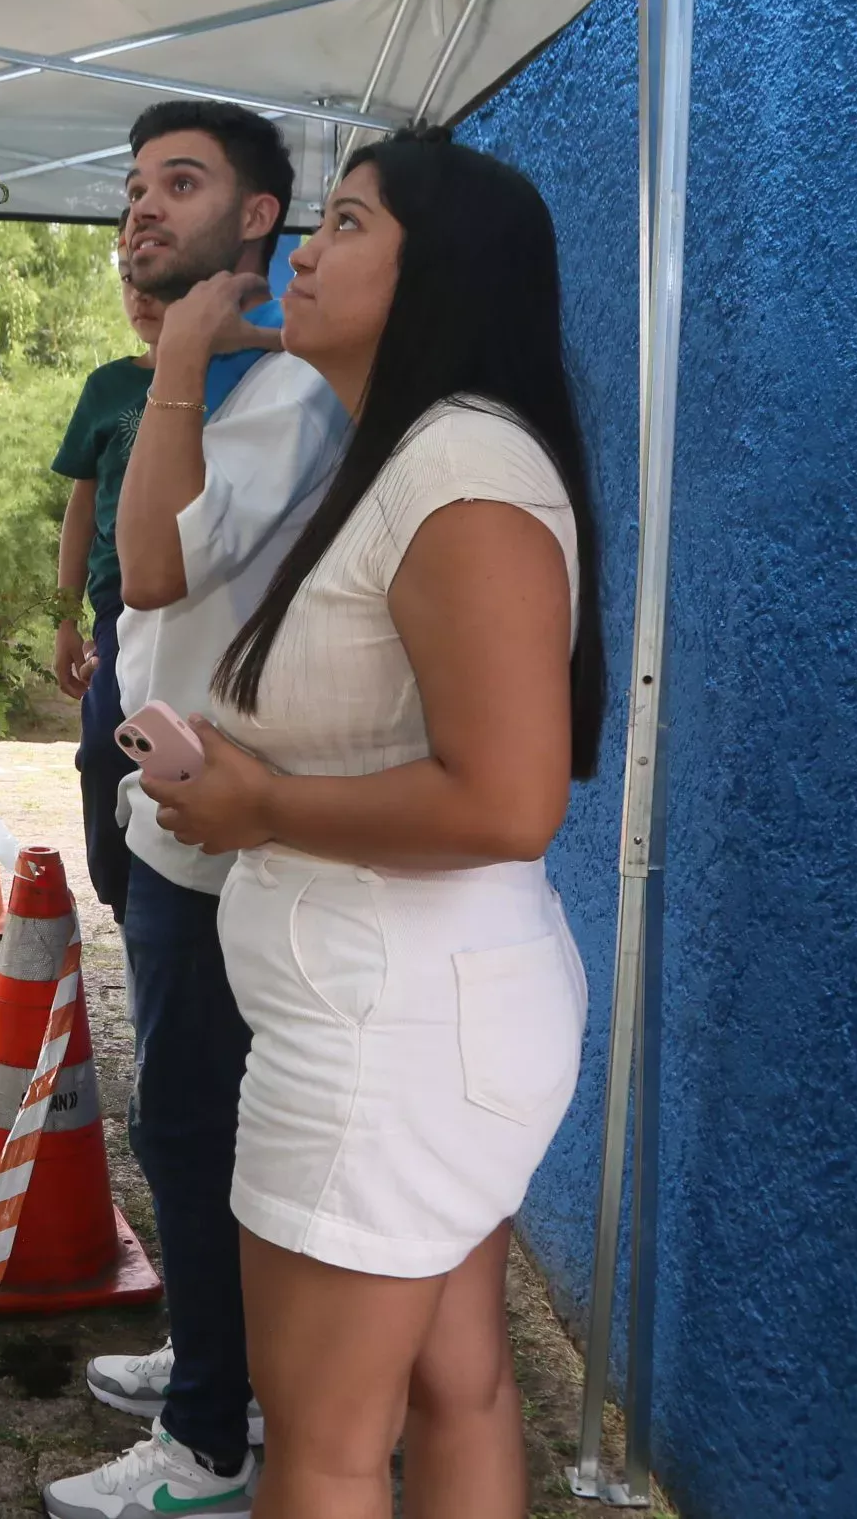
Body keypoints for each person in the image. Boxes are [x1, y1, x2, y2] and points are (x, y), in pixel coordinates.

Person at [150, 132, 603, 1519]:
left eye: (344, 222)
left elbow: (510, 797)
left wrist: (258, 800)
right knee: (451, 1384)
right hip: (409, 1015)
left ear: (436, 277)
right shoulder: (407, 452)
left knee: (327, 1443)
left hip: (388, 1036)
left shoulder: (458, 467)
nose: (304, 248)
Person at [43, 101, 350, 1519]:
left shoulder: (284, 395)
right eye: (133, 187)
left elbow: (153, 566)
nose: (142, 209)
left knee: (193, 1125)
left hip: (228, 835)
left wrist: (175, 358)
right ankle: (212, 1365)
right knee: (202, 1121)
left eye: (181, 183)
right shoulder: (245, 375)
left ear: (259, 218)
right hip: (184, 812)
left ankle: (210, 1441)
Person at [52, 225, 281, 923]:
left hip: (206, 579)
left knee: (191, 738)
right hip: (120, 595)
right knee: (104, 746)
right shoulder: (108, 387)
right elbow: (80, 510)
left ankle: (191, 879)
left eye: (159, 288)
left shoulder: (236, 381)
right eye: (129, 282)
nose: (140, 298)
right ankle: (122, 891)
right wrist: (64, 619)